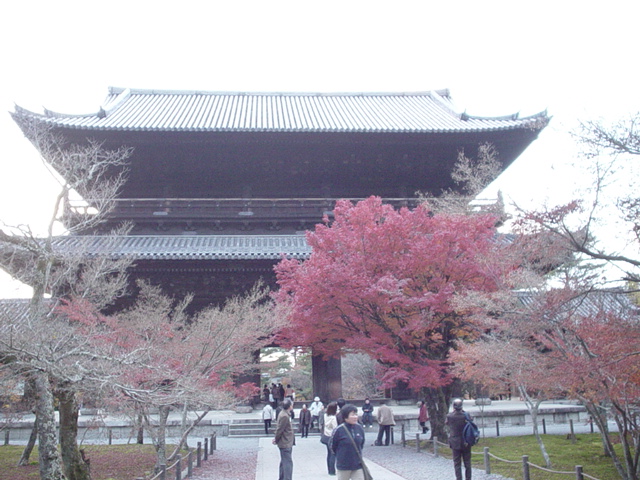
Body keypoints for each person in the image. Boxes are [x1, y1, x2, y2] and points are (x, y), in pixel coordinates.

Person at [329, 404, 366, 480]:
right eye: (352, 415)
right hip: (343, 466)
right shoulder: (339, 430)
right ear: (345, 417)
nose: (355, 417)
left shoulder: (359, 428)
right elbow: (332, 446)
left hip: (357, 464)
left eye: (356, 414)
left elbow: (361, 444)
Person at [446, 398, 472, 480]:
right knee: (467, 462)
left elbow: (447, 423)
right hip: (466, 441)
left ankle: (459, 478)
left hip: (455, 441)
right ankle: (468, 478)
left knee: (457, 463)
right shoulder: (466, 415)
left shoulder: (450, 416)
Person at [273, 398, 294, 480]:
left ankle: (282, 478)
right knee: (287, 463)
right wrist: (276, 439)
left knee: (284, 461)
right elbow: (280, 429)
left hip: (286, 441)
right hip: (285, 441)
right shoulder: (284, 416)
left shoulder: (285, 414)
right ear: (289, 406)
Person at [323, 401, 339, 476]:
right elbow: (335, 428)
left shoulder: (325, 415)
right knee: (332, 453)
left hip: (326, 435)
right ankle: (332, 470)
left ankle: (329, 469)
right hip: (331, 436)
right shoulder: (333, 418)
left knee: (329, 453)